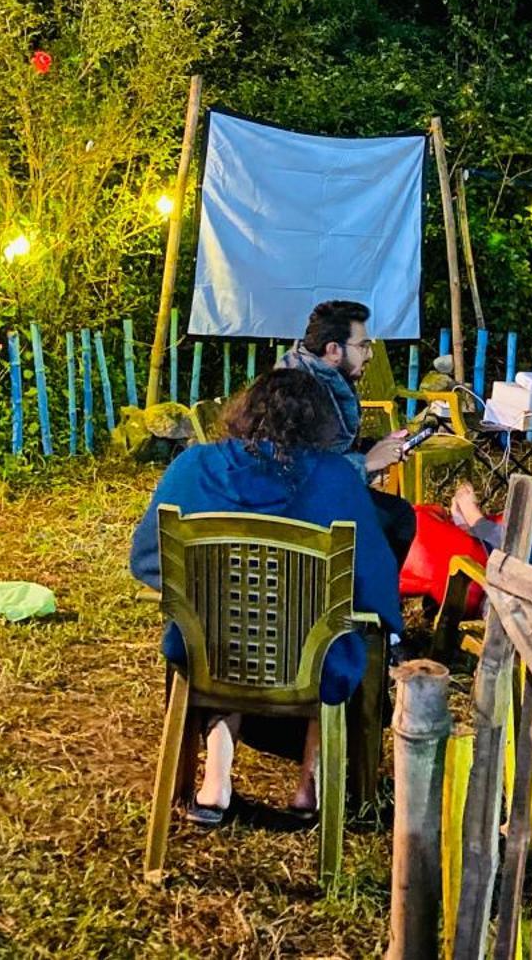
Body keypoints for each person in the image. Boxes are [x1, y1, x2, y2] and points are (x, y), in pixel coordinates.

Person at [129, 369, 404, 825]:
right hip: (309, 660)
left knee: (224, 621)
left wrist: (204, 589)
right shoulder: (336, 478)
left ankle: (216, 775)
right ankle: (309, 782)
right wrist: (386, 622)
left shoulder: (193, 466)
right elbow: (373, 576)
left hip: (210, 652)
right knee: (337, 632)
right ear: (319, 424)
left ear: (244, 411)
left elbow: (147, 557)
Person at [277, 299, 419, 565]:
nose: (370, 354)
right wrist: (366, 463)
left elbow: (330, 450)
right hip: (294, 510)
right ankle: (360, 601)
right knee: (396, 519)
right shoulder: (295, 388)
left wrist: (377, 448)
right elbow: (293, 469)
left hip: (321, 492)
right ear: (333, 349)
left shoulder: (326, 375)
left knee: (395, 515)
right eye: (363, 346)